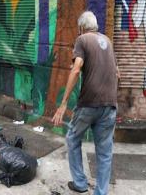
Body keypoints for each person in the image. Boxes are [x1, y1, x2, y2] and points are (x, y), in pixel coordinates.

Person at [52, 11, 119, 195]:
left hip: (89, 103)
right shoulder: (108, 42)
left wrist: (64, 103)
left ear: (81, 27)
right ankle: (101, 192)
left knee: (72, 138)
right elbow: (116, 72)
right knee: (104, 152)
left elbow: (76, 69)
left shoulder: (82, 40)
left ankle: (80, 183)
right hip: (110, 104)